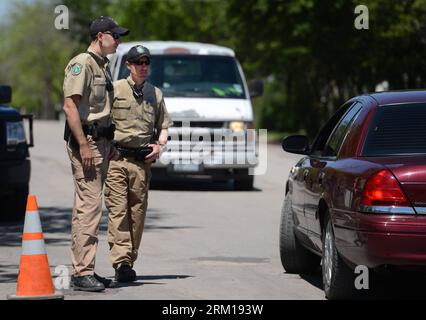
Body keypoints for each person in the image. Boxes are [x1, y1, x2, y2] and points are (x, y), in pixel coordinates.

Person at [62, 16, 129, 292]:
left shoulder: (102, 65)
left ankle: (85, 268)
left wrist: (108, 142)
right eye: (116, 35)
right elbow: (70, 107)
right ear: (100, 36)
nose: (119, 40)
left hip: (100, 142)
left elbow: (101, 110)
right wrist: (84, 144)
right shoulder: (83, 63)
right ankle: (81, 272)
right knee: (89, 208)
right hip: (86, 143)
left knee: (89, 208)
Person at [105, 45, 172, 282]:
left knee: (137, 214)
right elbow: (102, 122)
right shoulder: (114, 89)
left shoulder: (155, 94)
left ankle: (129, 261)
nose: (143, 67)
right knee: (118, 212)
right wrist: (106, 147)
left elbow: (163, 125)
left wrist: (159, 146)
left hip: (142, 164)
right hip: (117, 161)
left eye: (146, 63)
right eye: (138, 63)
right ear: (128, 65)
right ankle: (121, 262)